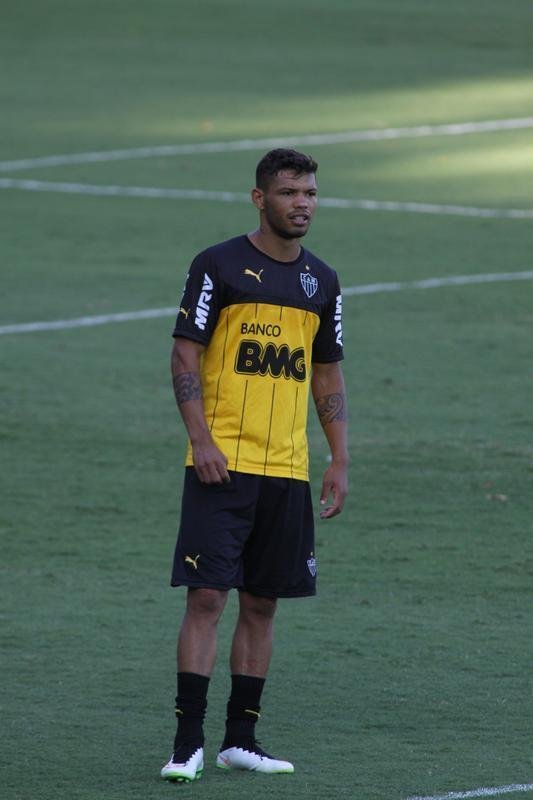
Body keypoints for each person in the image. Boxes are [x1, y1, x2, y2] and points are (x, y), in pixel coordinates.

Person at [161, 148, 348, 782]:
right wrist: (202, 440)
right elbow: (185, 359)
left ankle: (241, 738)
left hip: (287, 470)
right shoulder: (217, 265)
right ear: (259, 198)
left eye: (311, 193)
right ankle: (188, 740)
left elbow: (326, 373)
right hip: (221, 462)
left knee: (263, 602)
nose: (303, 203)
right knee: (208, 596)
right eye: (291, 192)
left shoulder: (322, 281)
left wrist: (339, 457)